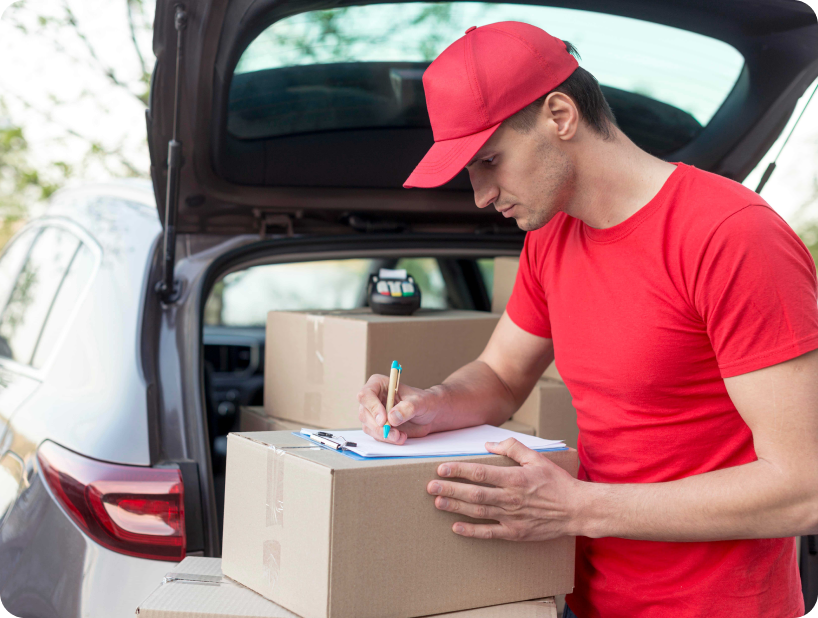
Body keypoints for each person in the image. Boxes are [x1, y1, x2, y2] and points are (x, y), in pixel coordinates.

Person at [356, 21, 818, 618]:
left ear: (559, 115)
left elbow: (803, 486)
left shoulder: (730, 235)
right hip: (581, 596)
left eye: (489, 160)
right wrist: (429, 405)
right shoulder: (552, 238)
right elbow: (499, 377)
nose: (479, 195)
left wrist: (574, 507)